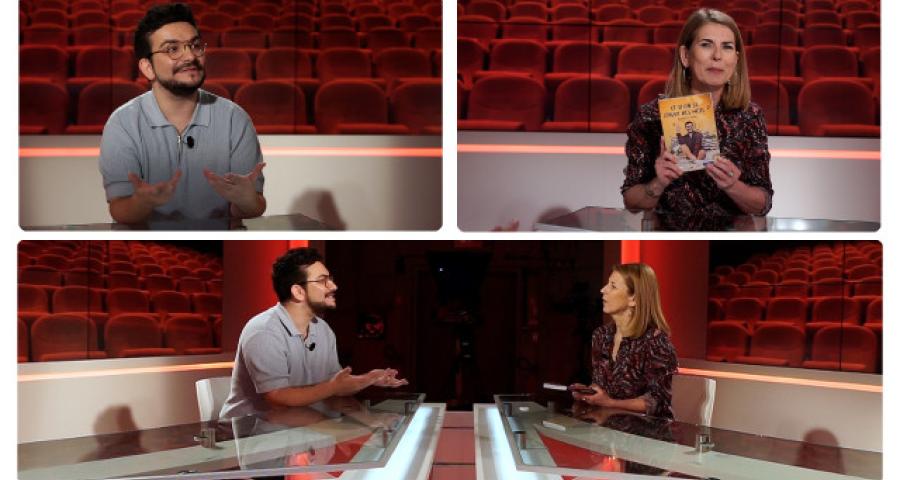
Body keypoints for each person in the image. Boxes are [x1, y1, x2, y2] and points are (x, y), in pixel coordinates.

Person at [99, 3, 266, 223]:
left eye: (195, 45)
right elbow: (119, 210)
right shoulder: (123, 123)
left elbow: (254, 207)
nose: (190, 56)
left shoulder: (235, 119)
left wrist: (245, 200)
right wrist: (142, 202)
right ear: (147, 67)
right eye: (173, 49)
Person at [621, 9, 773, 228]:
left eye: (727, 47)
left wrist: (732, 186)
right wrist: (659, 183)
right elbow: (632, 202)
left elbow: (762, 204)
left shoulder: (750, 116)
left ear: (736, 60)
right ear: (685, 56)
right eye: (706, 44)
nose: (717, 56)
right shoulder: (651, 116)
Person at [219, 247, 407, 419]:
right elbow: (277, 398)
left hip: (295, 427)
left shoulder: (323, 329)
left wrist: (369, 378)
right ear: (298, 292)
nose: (333, 286)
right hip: (248, 435)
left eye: (330, 279)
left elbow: (335, 384)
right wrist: (333, 390)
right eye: (323, 281)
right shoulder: (263, 331)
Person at [570, 264, 678, 419]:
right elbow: (602, 387)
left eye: (612, 286)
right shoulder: (601, 336)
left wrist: (610, 403)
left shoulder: (656, 343)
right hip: (608, 431)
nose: (603, 290)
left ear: (633, 299)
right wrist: (590, 393)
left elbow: (657, 402)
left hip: (647, 435)